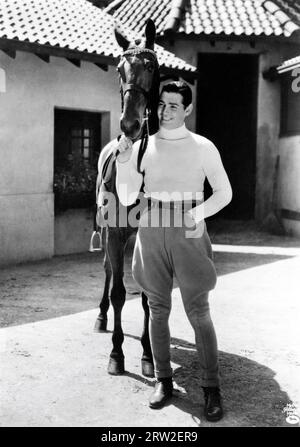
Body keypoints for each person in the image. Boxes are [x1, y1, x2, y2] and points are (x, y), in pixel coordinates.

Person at [114, 81, 232, 422]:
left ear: (188, 110)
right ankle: (164, 381)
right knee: (157, 308)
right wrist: (123, 161)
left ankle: (212, 388)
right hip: (150, 228)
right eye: (162, 104)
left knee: (198, 310)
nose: (166, 111)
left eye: (174, 106)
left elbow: (223, 192)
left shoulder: (203, 147)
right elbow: (124, 198)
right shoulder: (142, 147)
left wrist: (194, 216)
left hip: (189, 228)